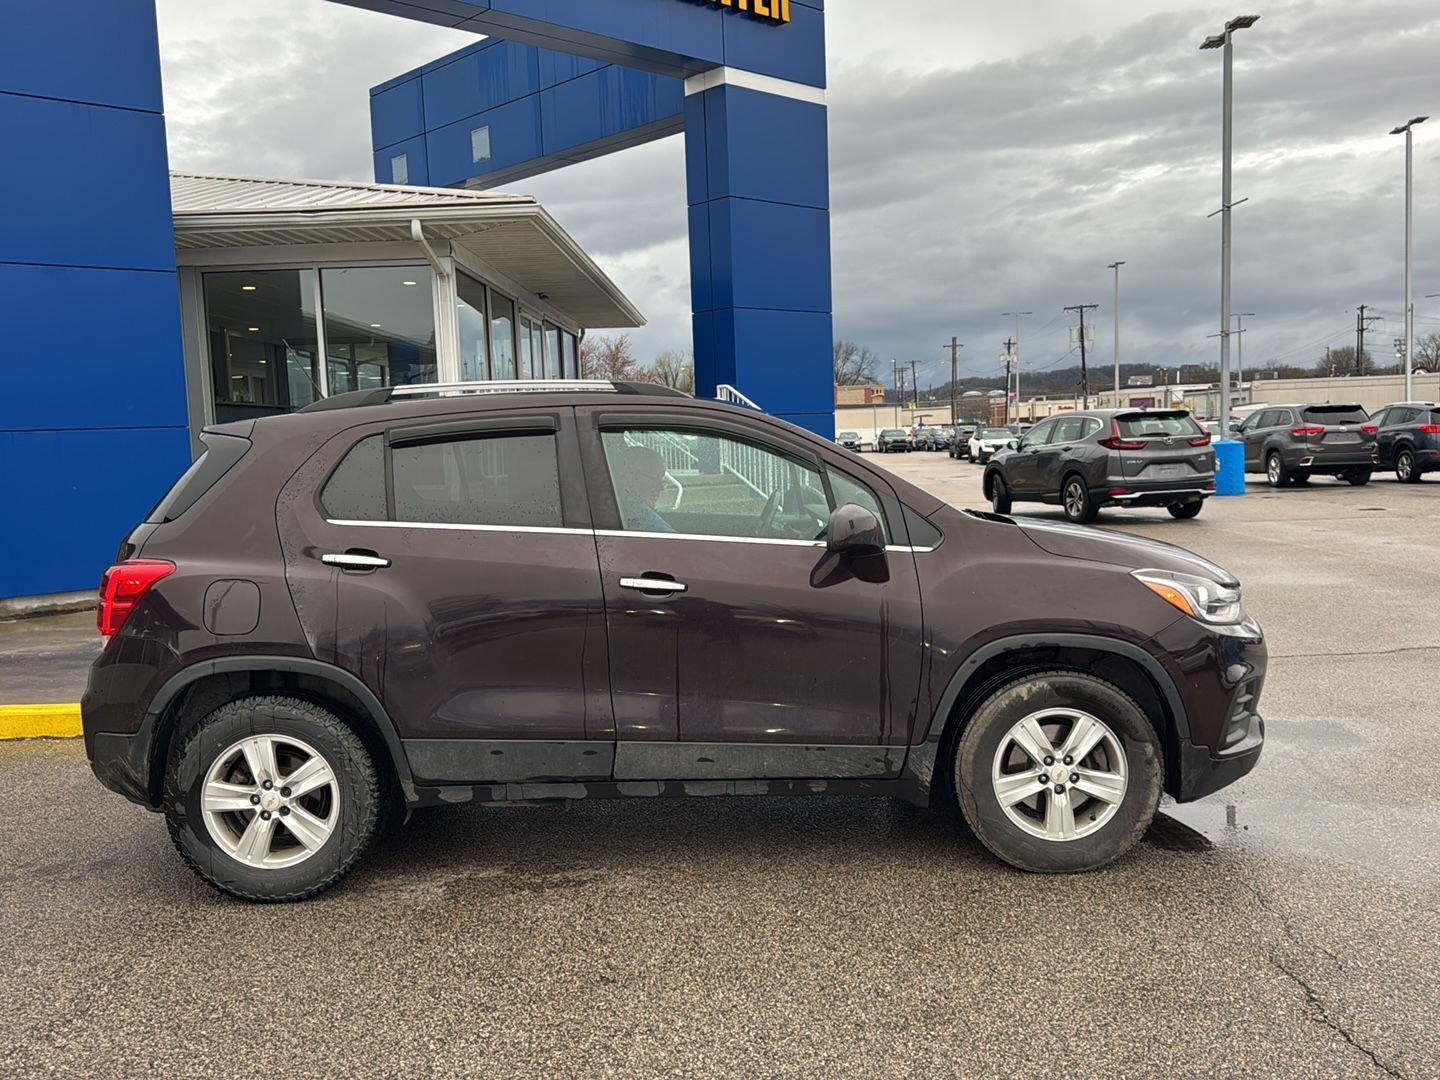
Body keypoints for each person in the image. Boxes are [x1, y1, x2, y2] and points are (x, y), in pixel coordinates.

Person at [614, 445, 674, 532]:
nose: (661, 487)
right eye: (654, 476)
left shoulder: (619, 510)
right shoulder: (640, 516)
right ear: (629, 476)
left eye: (662, 478)